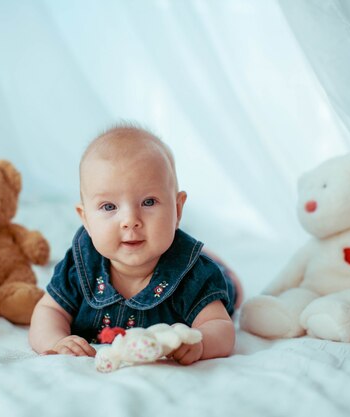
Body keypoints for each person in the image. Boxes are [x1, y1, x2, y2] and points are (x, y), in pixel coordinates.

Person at [28, 125, 242, 365]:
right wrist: (56, 342)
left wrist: (201, 343)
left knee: (226, 286)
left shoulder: (194, 274)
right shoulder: (80, 266)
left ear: (178, 209)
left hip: (195, 266)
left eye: (148, 202)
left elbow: (220, 326)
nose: (130, 221)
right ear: (86, 219)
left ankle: (223, 269)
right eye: (109, 207)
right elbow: (49, 311)